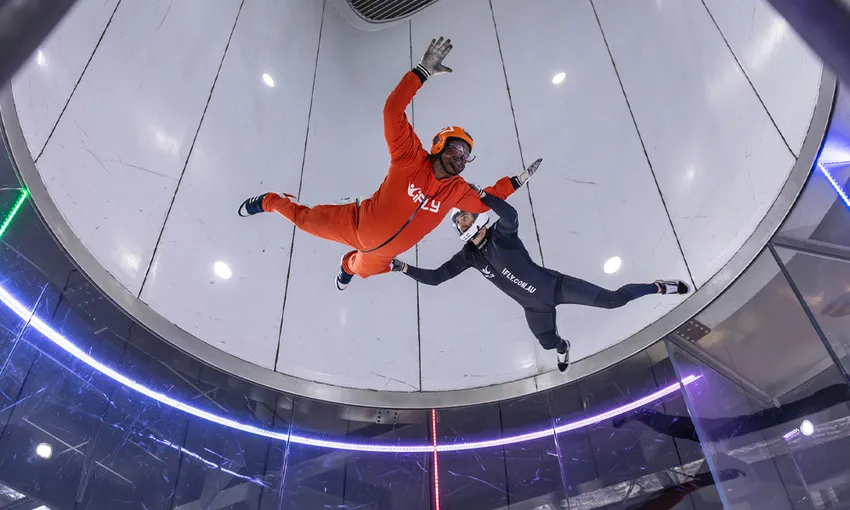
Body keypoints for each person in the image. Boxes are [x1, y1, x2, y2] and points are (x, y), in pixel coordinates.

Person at [238, 37, 531, 290]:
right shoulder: (409, 157)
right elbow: (393, 111)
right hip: (355, 224)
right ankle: (270, 201)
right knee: (302, 220)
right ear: (439, 144)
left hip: (382, 255)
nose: (460, 157)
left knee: (359, 269)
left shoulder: (457, 191)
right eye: (456, 148)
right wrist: (422, 71)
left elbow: (484, 203)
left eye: (466, 155)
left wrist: (513, 183)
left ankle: (347, 267)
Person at [391, 161, 690, 373]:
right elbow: (436, 278)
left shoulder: (500, 235)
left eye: (464, 217)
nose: (461, 222)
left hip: (557, 287)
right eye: (457, 222)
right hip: (535, 309)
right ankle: (564, 347)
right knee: (548, 345)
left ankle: (659, 286)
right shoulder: (469, 255)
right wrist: (402, 267)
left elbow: (511, 216)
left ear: (476, 216)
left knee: (613, 300)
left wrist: (483, 195)